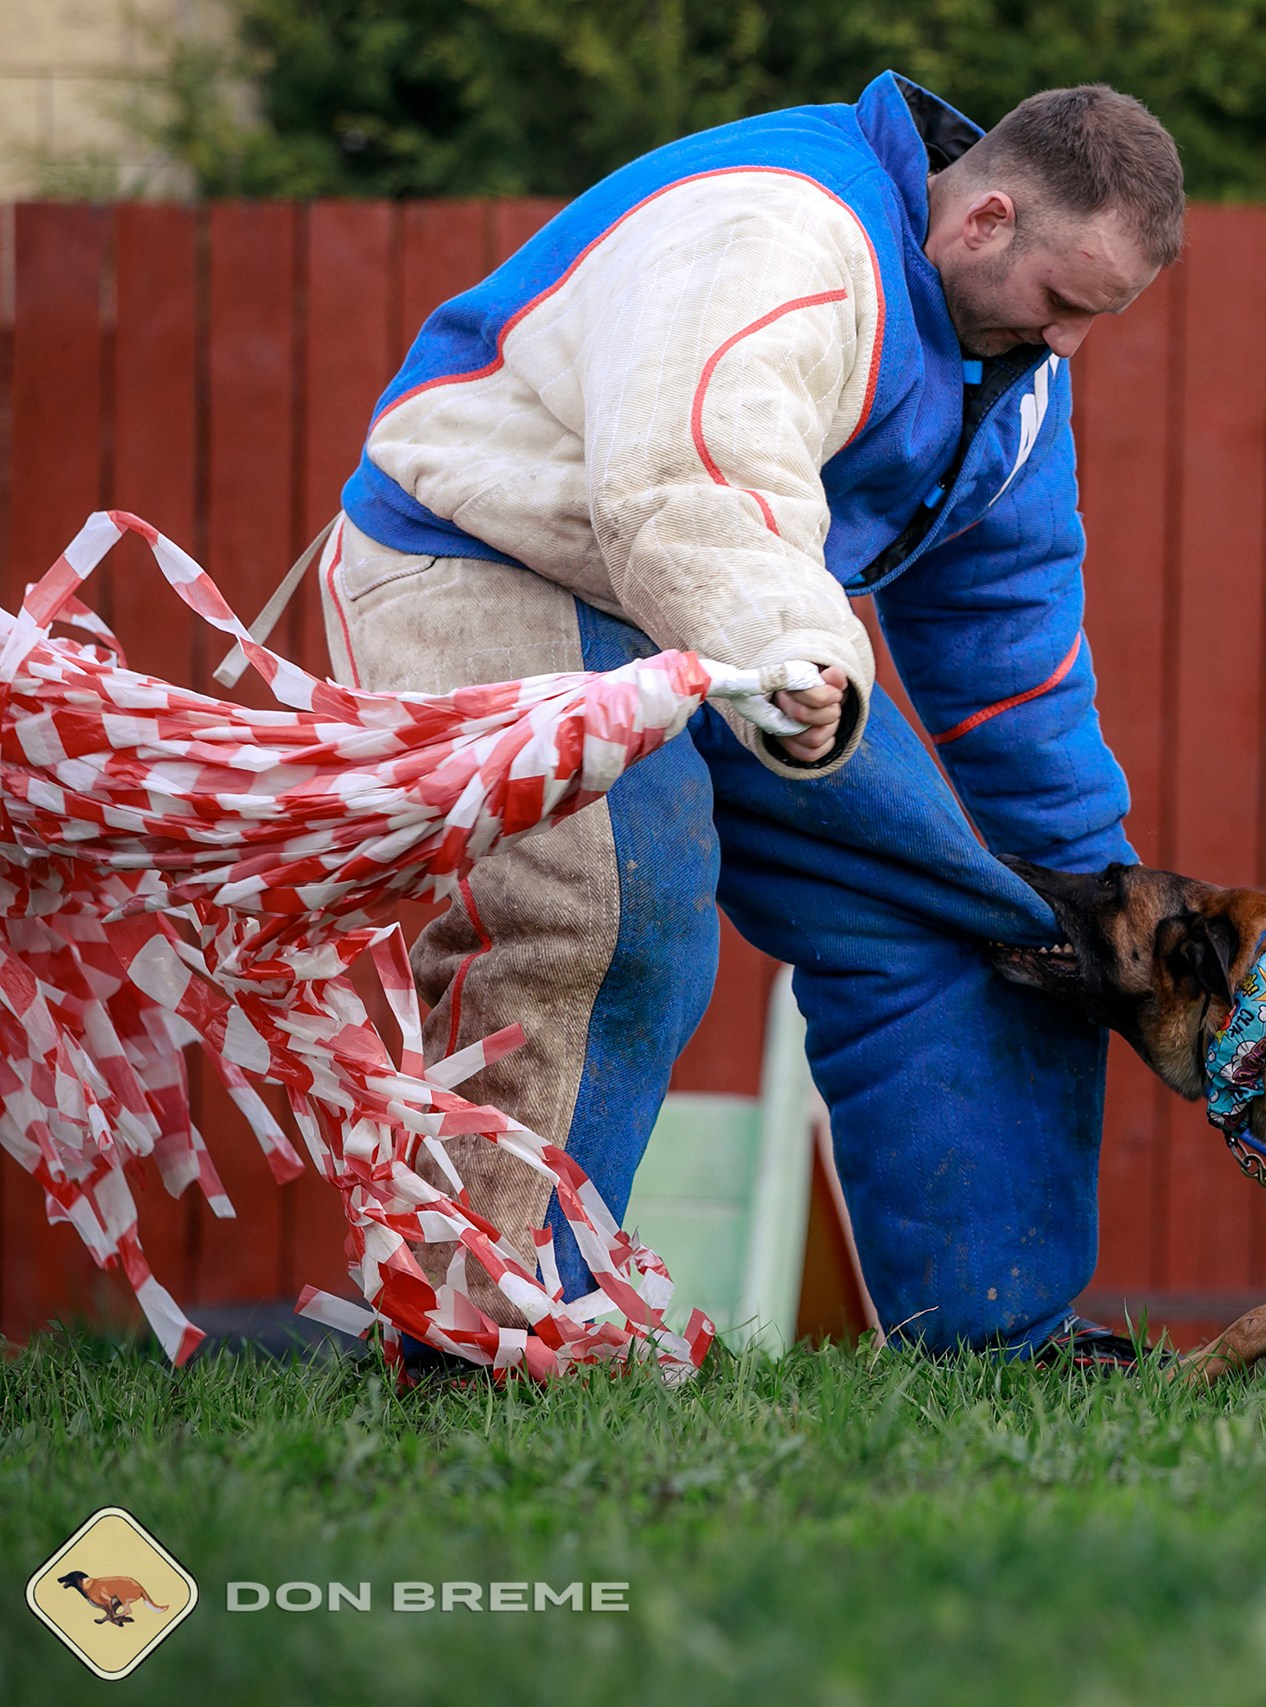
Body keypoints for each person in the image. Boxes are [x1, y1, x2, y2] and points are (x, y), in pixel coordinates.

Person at [318, 74, 1180, 1364]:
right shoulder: (776, 227)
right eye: (1065, 306)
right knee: (602, 918)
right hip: (488, 561)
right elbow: (685, 482)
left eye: (1096, 322)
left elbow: (1009, 637)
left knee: (993, 925)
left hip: (737, 623)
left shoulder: (1007, 367)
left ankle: (1005, 1343)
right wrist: (790, 652)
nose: (1069, 347)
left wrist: (1091, 884)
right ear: (986, 217)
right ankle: (485, 1345)